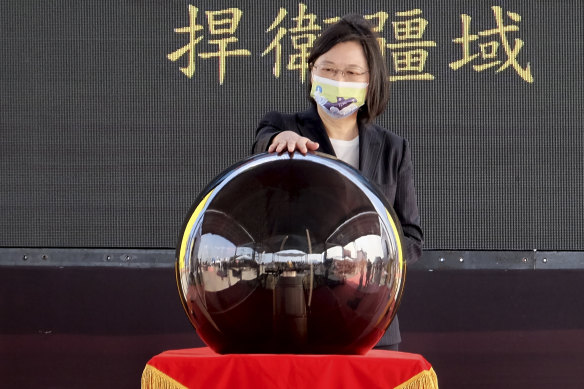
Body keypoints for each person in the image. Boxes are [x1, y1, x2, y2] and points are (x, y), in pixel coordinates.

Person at [252, 14, 423, 351]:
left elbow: (413, 238)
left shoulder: (393, 149)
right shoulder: (285, 127)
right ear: (312, 70)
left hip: (372, 322)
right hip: (295, 315)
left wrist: (370, 257)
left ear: (370, 80)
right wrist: (279, 140)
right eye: (328, 69)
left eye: (351, 73)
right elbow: (262, 145)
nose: (338, 81)